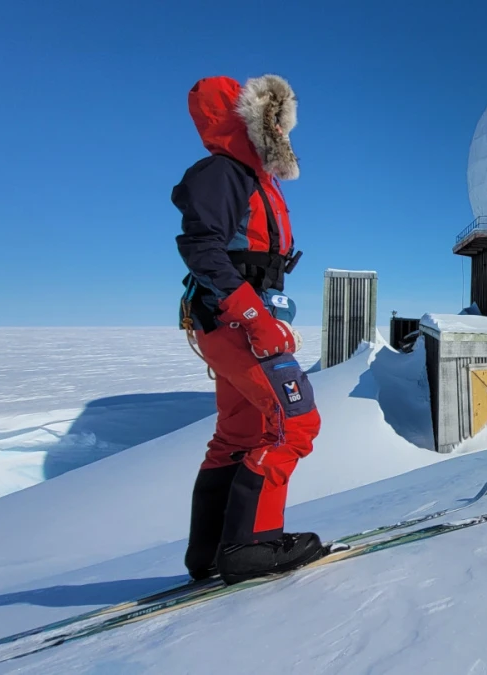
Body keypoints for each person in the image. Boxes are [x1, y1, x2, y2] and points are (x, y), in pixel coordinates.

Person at [172, 74, 324, 585]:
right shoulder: (224, 174)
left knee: (241, 432)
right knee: (295, 422)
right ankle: (251, 545)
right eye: (275, 119)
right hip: (236, 318)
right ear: (251, 120)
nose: (284, 129)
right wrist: (256, 317)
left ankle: (211, 552)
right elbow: (202, 249)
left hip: (231, 317)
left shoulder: (250, 177)